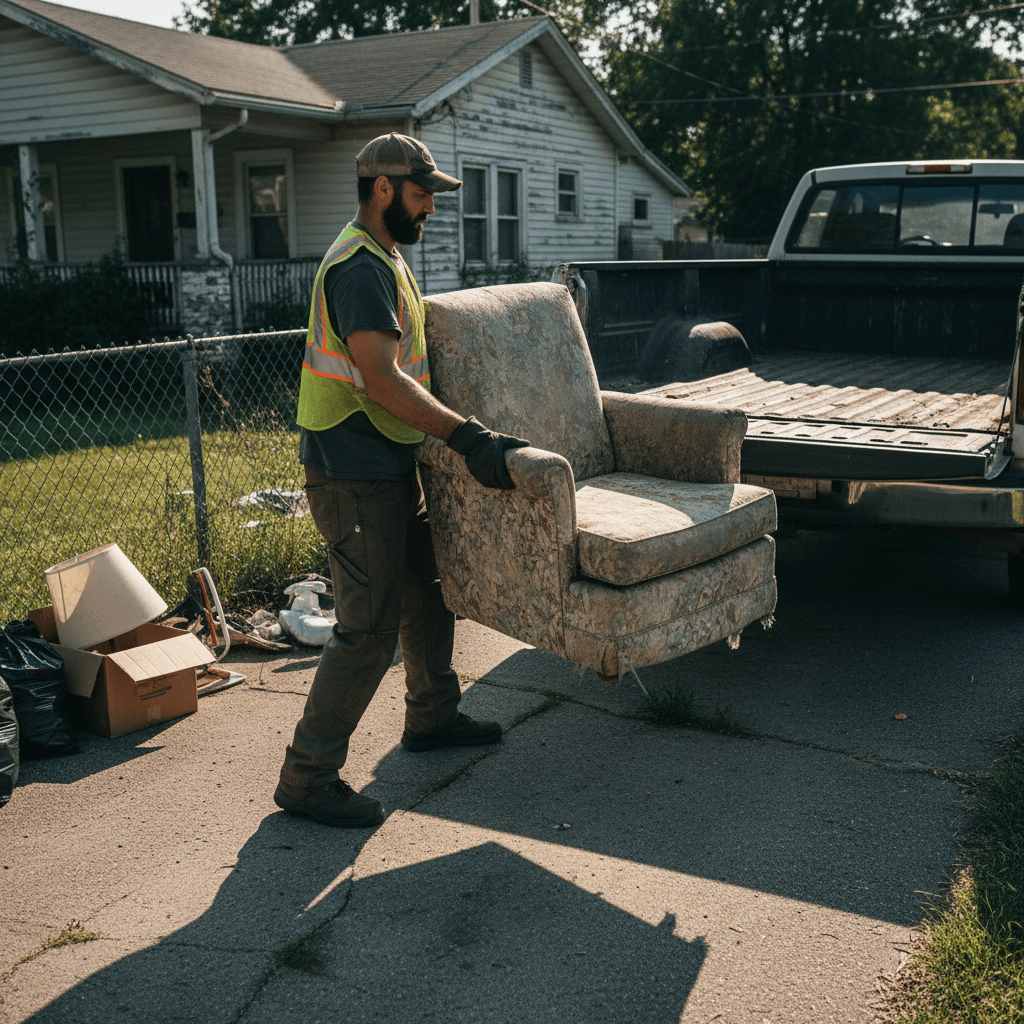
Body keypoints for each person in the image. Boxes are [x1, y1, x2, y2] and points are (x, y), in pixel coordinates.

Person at [274, 134, 530, 829]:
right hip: (351, 472)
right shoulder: (359, 269)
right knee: (366, 630)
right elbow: (380, 379)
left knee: (427, 592)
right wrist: (466, 435)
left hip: (386, 460)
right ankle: (307, 775)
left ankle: (432, 716)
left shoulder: (385, 257)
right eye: (422, 195)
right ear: (383, 189)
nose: (431, 209)